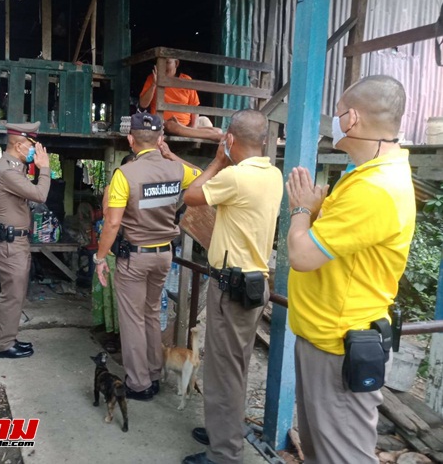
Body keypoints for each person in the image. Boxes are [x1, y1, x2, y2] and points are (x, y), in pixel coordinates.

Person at [286, 75, 415, 463]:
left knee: (342, 456)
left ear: (353, 118)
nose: (335, 122)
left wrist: (301, 210)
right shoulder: (365, 176)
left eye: (339, 114)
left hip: (337, 347)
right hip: (324, 340)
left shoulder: (374, 189)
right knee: (320, 452)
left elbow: (303, 255)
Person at [178, 110, 283, 464]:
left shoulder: (236, 177)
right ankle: (224, 430)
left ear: (231, 140)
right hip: (252, 284)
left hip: (232, 286)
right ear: (265, 140)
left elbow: (191, 196)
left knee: (225, 372)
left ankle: (224, 453)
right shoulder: (273, 174)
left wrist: (217, 160)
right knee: (230, 367)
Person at [94, 113, 201, 401]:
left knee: (132, 320)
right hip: (164, 255)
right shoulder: (175, 170)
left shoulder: (124, 175)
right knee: (151, 314)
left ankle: (140, 384)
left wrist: (100, 258)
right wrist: (172, 156)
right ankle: (154, 372)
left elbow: (113, 223)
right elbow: (201, 177)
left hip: (135, 258)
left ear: (131, 140)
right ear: (160, 140)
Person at [0, 122, 51, 359]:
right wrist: (44, 169)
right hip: (9, 243)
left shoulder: (15, 167)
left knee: (16, 293)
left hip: (14, 241)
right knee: (12, 294)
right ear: (18, 144)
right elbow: (39, 195)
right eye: (31, 145)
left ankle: (8, 338)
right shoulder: (7, 170)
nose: (35, 150)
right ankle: (2, 345)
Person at [91, 153, 136, 354]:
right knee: (113, 297)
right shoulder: (112, 188)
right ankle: (113, 335)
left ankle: (128, 337)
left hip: (136, 250)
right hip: (113, 248)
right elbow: (111, 218)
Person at [139, 58, 200, 126]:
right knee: (171, 125)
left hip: (186, 125)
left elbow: (195, 107)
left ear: (176, 63)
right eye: (160, 63)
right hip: (163, 124)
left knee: (206, 121)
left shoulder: (187, 80)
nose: (163, 66)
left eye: (167, 62)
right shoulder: (152, 78)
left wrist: (193, 128)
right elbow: (143, 104)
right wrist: (154, 85)